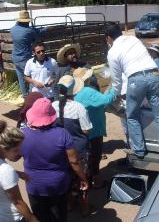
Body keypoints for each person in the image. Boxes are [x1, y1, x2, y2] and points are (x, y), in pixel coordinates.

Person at [105, 22, 159, 159]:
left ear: (108, 38)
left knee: (132, 116)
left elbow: (117, 82)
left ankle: (139, 151)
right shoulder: (134, 39)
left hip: (136, 80)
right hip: (154, 74)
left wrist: (112, 96)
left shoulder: (112, 52)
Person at [21, 98, 89, 222]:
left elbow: (15, 155)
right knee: (59, 217)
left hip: (33, 185)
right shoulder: (62, 134)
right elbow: (74, 161)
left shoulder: (22, 134)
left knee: (40, 216)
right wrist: (83, 178)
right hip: (58, 185)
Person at [0, 120, 38, 222]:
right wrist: (33, 220)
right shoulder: (6, 171)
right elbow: (18, 203)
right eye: (16, 150)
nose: (20, 154)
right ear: (3, 148)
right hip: (10, 218)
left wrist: (18, 173)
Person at [52, 75, 93, 216]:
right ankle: (85, 206)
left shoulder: (53, 106)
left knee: (67, 177)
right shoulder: (78, 107)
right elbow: (86, 130)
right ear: (74, 90)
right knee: (83, 177)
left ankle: (70, 203)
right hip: (78, 149)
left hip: (60, 150)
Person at [73, 68, 115, 188]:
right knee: (94, 156)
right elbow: (106, 100)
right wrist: (113, 88)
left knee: (86, 156)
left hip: (81, 130)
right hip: (93, 129)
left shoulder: (75, 92)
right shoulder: (87, 91)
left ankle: (87, 178)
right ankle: (96, 180)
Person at [11, 10, 44, 99]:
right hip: (24, 57)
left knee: (21, 77)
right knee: (30, 77)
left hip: (15, 57)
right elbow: (37, 36)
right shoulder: (29, 31)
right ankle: (32, 97)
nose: (29, 23)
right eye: (28, 21)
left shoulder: (13, 29)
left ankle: (25, 96)